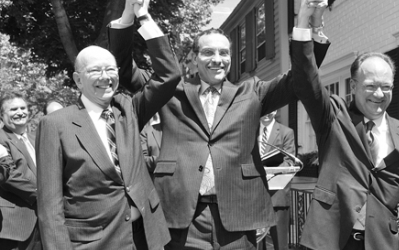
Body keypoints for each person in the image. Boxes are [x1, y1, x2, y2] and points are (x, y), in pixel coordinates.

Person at [109, 0, 330, 249]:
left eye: (224, 53)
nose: (218, 59)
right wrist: (131, 14)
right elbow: (124, 71)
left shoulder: (253, 92)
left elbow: (301, 80)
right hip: (182, 217)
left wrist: (309, 24)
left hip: (237, 219)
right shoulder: (171, 90)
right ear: (194, 58)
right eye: (208, 52)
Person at [35, 2, 181, 249]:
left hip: (145, 236)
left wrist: (139, 17)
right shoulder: (55, 124)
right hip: (94, 242)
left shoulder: (129, 109)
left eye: (110, 69)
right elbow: (50, 205)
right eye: (95, 71)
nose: (106, 77)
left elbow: (169, 75)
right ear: (78, 80)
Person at [294, 2, 399, 250]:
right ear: (354, 86)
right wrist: (307, 24)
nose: (379, 94)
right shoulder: (333, 116)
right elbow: (304, 80)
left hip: (380, 243)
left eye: (386, 87)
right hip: (328, 240)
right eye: (370, 86)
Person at [0, 91, 41, 250]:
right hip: (15, 226)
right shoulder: (1, 138)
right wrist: (42, 195)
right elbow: (8, 176)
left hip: (41, 223)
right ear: (2, 115)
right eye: (13, 109)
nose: (20, 112)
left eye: (23, 108)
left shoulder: (36, 137)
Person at [257, 110, 296, 250]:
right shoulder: (250, 131)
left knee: (280, 244)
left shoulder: (286, 132)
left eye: (272, 110)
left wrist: (267, 172)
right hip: (253, 198)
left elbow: (290, 162)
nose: (267, 113)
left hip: (277, 197)